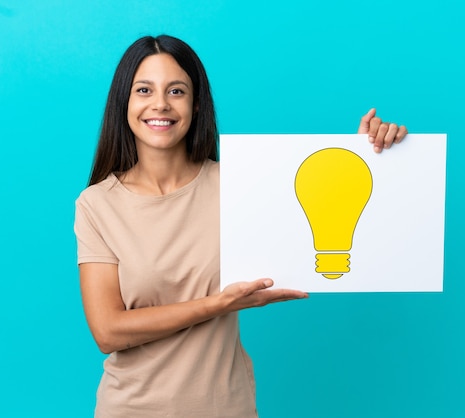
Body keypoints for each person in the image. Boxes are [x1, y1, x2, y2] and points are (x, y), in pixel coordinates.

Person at [74, 34, 408, 418]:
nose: (160, 104)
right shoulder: (98, 204)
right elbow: (108, 331)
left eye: (177, 91)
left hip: (227, 408)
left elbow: (319, 205)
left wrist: (366, 155)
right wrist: (218, 305)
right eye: (144, 89)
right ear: (125, 102)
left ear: (197, 104)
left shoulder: (242, 186)